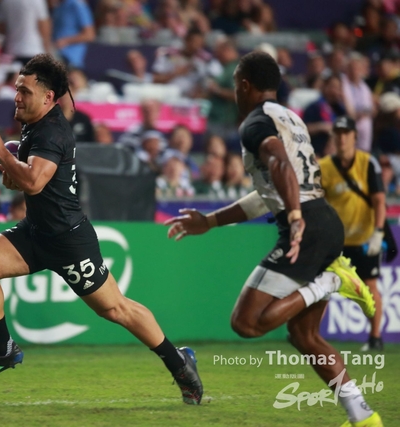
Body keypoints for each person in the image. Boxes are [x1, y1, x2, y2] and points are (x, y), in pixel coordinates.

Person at [0, 54, 203, 404]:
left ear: (48, 97)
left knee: (115, 309)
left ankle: (179, 363)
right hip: (35, 232)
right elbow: (28, 182)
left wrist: (2, 152)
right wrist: (13, 167)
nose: (17, 97)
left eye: (25, 91)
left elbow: (34, 182)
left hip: (68, 240)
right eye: (17, 89)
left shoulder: (51, 131)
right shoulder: (34, 124)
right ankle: (3, 350)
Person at [164, 51, 382, 426]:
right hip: (325, 223)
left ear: (245, 85)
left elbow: (279, 162)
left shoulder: (255, 122)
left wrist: (295, 217)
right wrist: (211, 221)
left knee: (246, 323)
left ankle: (331, 281)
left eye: (236, 85)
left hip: (306, 225)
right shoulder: (291, 118)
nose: (235, 92)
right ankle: (364, 417)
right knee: (304, 336)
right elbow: (268, 192)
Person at [319, 116, 386, 352]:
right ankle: (309, 334)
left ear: (355, 137)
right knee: (321, 287)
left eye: (346, 133)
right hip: (335, 241)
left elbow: (379, 200)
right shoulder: (324, 167)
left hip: (364, 238)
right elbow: (318, 202)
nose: (342, 138)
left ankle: (375, 337)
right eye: (338, 134)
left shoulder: (368, 163)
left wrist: (378, 232)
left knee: (370, 286)